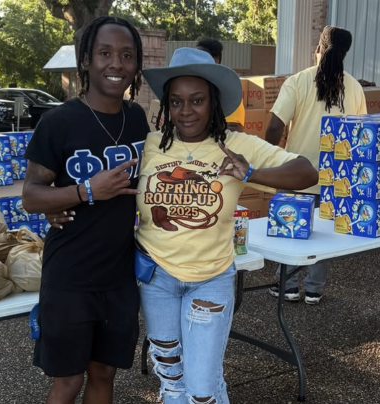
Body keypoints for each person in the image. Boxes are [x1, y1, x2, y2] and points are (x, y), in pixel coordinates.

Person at [136, 47, 318, 404]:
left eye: (197, 100)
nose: (186, 111)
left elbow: (306, 172)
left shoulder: (235, 145)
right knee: (171, 381)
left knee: (202, 390)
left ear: (214, 102)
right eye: (176, 102)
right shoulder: (151, 145)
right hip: (156, 279)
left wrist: (251, 173)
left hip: (211, 279)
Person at [22, 16, 149, 404]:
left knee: (104, 373)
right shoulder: (58, 122)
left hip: (119, 274)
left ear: (136, 64)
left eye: (127, 55)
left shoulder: (137, 119)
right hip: (70, 275)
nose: (116, 64)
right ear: (86, 59)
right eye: (105, 53)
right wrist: (84, 191)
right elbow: (31, 196)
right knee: (68, 380)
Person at [265, 25, 367, 305]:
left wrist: (269, 159)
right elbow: (360, 133)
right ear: (345, 54)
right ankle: (313, 289)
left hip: (296, 172)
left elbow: (274, 126)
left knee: (290, 228)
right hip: (336, 178)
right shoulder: (355, 88)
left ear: (318, 49)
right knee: (323, 235)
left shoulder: (298, 81)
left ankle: (287, 286)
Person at [197, 37, 245, 132]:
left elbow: (233, 127)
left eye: (200, 56)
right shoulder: (194, 86)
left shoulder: (228, 90)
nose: (194, 60)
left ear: (216, 60)